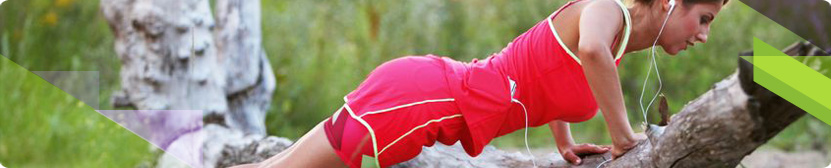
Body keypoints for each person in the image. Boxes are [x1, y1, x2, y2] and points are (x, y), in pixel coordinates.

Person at [237, 0, 727, 167]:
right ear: (669, 3)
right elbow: (589, 50)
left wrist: (565, 141)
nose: (703, 35)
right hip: (424, 98)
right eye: (702, 18)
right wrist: (624, 136)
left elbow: (551, 65)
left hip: (428, 96)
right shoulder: (609, 9)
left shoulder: (615, 38)